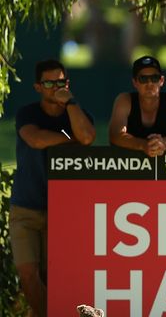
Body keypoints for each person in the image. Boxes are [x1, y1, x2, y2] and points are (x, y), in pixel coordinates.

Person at [11, 59, 96, 317]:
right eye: (49, 83)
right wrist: (70, 141)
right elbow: (35, 139)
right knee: (28, 274)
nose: (55, 87)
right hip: (25, 206)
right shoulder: (27, 113)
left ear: (67, 84)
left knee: (52, 277)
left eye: (60, 82)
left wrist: (70, 103)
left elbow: (89, 137)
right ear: (38, 86)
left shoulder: (77, 114)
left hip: (61, 210)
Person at [108, 55, 166, 157]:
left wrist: (165, 143)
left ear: (161, 81)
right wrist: (144, 145)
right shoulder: (124, 101)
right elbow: (115, 136)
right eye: (143, 79)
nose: (149, 83)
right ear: (135, 82)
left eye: (154, 78)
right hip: (130, 164)